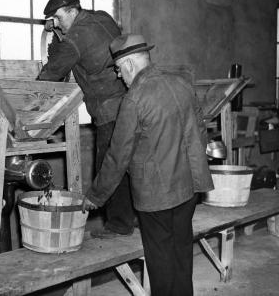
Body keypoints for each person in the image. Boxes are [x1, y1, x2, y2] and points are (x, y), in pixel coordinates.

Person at [82, 34, 214, 296]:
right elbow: (200, 129)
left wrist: (95, 196)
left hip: (156, 197)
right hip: (188, 189)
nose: (120, 76)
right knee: (181, 256)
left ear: (129, 64)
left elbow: (117, 157)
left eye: (119, 69)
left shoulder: (134, 99)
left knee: (161, 263)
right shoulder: (182, 84)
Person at [37, 0, 136, 238]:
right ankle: (135, 218)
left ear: (72, 10)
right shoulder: (102, 17)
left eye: (59, 17)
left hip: (109, 111)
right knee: (132, 164)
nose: (56, 23)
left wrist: (29, 100)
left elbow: (51, 74)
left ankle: (118, 226)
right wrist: (60, 31)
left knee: (108, 168)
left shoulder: (75, 40)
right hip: (132, 101)